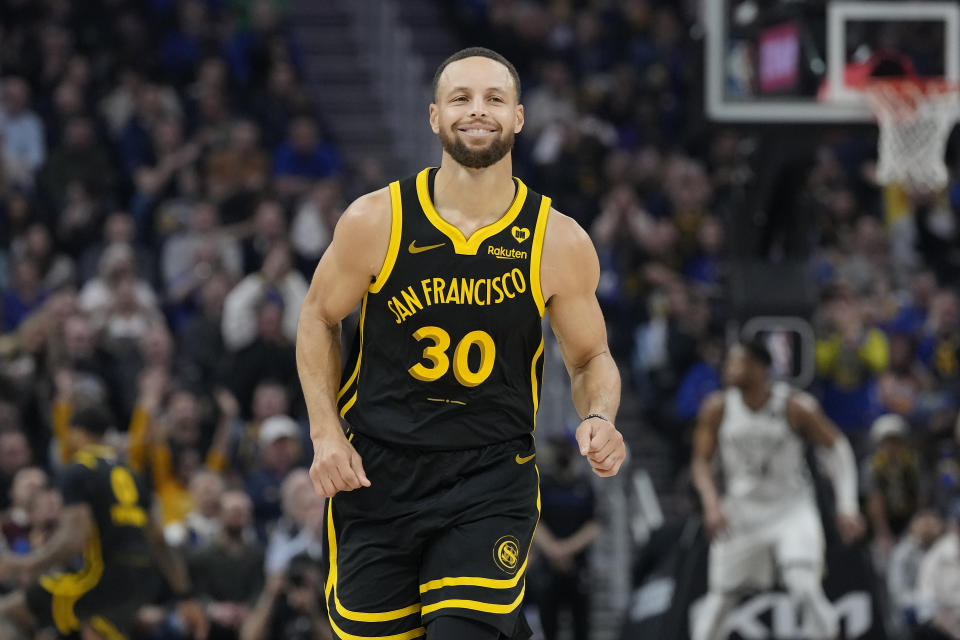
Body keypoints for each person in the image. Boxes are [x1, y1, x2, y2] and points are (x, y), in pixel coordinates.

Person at [296, 47, 625, 640]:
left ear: (520, 117)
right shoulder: (378, 220)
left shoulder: (556, 239)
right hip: (376, 473)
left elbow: (591, 357)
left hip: (490, 474)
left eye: (495, 99)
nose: (478, 111)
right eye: (461, 99)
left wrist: (599, 414)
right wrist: (324, 432)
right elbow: (318, 318)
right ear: (433, 116)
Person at [690, 340, 866, 640]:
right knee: (720, 599)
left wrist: (847, 506)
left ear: (759, 368)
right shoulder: (717, 408)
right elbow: (701, 463)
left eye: (737, 362)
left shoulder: (795, 406)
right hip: (741, 512)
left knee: (804, 587)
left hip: (791, 508)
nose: (729, 369)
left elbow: (838, 449)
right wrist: (711, 504)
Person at [0, 405, 207, 640]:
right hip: (141, 583)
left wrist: (27, 564)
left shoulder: (78, 471)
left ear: (77, 433)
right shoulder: (133, 474)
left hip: (102, 578)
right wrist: (185, 596)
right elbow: (158, 540)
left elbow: (73, 540)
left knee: (8, 614)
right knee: (95, 627)